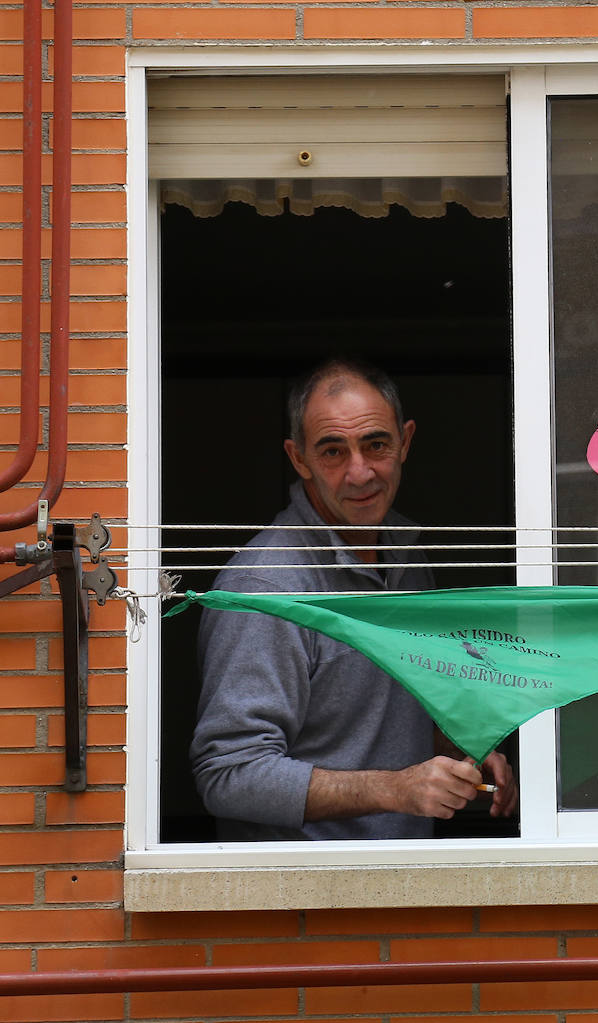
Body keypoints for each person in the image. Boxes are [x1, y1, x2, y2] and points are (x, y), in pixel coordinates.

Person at [190, 359, 516, 840]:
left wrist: (456, 749)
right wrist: (394, 790)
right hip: (301, 901)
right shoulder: (267, 586)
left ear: (405, 441)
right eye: (332, 452)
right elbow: (228, 776)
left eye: (375, 445)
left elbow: (366, 723)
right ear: (298, 458)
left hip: (396, 886)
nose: (359, 472)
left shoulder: (407, 555)